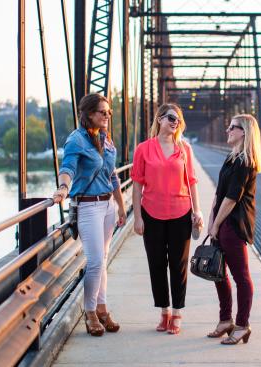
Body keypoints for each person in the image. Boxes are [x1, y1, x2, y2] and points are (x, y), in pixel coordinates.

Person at [52, 93, 127, 337]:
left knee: (102, 260)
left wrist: (121, 205)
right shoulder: (77, 140)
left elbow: (112, 173)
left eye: (109, 112)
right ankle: (90, 312)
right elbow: (68, 167)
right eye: (102, 112)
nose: (107, 116)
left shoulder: (106, 139)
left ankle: (102, 309)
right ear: (88, 114)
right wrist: (63, 188)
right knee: (95, 261)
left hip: (107, 207)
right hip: (88, 207)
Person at [131, 103, 203, 335]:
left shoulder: (184, 149)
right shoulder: (143, 148)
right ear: (160, 119)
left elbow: (191, 181)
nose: (175, 123)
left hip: (181, 213)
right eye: (171, 118)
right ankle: (164, 311)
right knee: (157, 264)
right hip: (151, 214)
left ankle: (178, 313)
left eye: (178, 120)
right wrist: (137, 217)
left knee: (178, 265)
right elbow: (136, 186)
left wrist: (197, 211)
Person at [207, 114, 261, 345]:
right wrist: (211, 220)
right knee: (217, 273)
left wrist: (218, 224)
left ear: (244, 132)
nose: (228, 129)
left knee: (241, 277)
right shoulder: (231, 158)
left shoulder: (245, 162)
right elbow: (219, 194)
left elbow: (231, 199)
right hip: (222, 223)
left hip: (234, 225)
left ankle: (242, 325)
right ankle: (225, 321)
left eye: (232, 127)